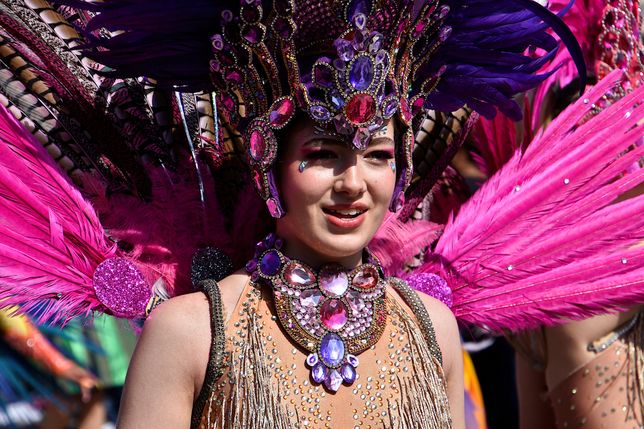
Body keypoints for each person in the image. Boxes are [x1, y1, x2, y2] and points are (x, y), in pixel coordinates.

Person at [0, 1, 643, 429]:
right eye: (324, 155)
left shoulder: (433, 328)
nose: (353, 184)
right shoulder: (193, 332)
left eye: (378, 155)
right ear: (269, 166)